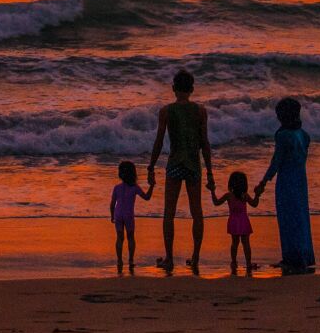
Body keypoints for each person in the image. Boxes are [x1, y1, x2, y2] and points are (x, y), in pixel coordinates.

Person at [147, 69, 214, 272]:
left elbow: (159, 141)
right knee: (197, 212)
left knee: (169, 212)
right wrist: (210, 171)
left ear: (174, 88)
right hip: (193, 165)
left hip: (175, 164)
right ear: (192, 89)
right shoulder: (200, 111)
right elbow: (205, 143)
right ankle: (195, 257)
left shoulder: (166, 111)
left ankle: (169, 258)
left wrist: (151, 166)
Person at [255, 97, 315, 274]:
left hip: (286, 182)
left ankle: (291, 258)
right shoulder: (304, 135)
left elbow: (276, 163)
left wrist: (263, 182)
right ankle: (303, 256)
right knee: (301, 218)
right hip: (300, 181)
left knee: (287, 218)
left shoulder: (282, 136)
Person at [210, 170, 261, 274]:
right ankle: (248, 263)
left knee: (234, 243)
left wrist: (212, 191)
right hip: (244, 221)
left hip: (233, 221)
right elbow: (255, 204)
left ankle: (233, 262)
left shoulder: (229, 196)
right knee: (246, 243)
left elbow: (216, 202)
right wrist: (257, 195)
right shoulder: (245, 196)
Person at [109, 160, 155, 272]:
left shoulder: (117, 187)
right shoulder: (134, 187)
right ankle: (130, 259)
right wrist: (152, 186)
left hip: (118, 213)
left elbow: (112, 204)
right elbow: (147, 197)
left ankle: (119, 260)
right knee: (130, 238)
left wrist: (112, 216)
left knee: (119, 238)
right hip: (128, 215)